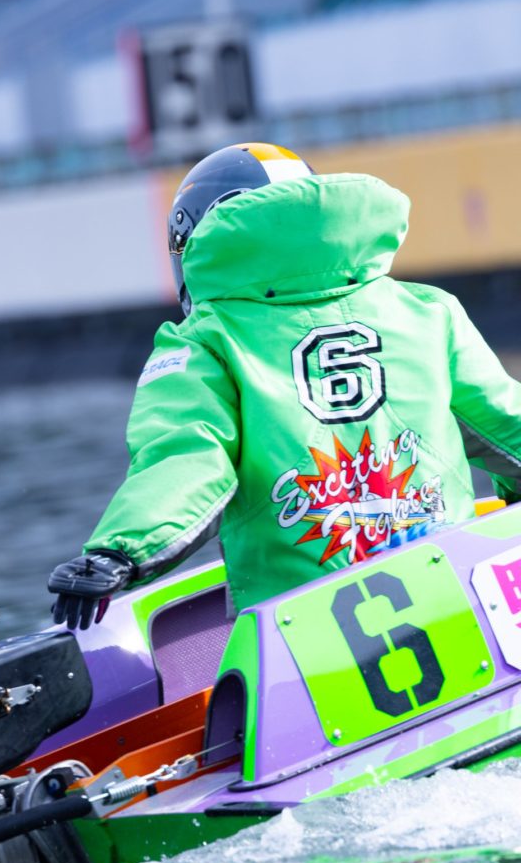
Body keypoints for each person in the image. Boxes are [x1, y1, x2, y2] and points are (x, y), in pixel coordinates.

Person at [49, 142, 521, 630]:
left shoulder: (204, 342)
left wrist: (118, 552)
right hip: (458, 599)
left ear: (194, 238)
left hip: (301, 628)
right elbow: (506, 425)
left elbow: (187, 460)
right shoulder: (427, 310)